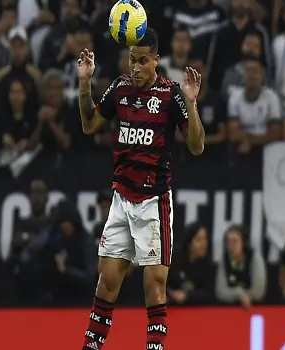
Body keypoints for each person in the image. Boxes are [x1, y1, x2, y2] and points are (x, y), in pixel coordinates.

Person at [76, 28, 205, 350]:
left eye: (142, 61)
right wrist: (84, 83)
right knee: (106, 282)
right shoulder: (119, 88)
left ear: (156, 61)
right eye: (132, 60)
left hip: (153, 201)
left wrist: (191, 103)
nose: (135, 67)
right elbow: (90, 125)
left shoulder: (172, 94)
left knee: (155, 285)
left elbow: (197, 146)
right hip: (122, 198)